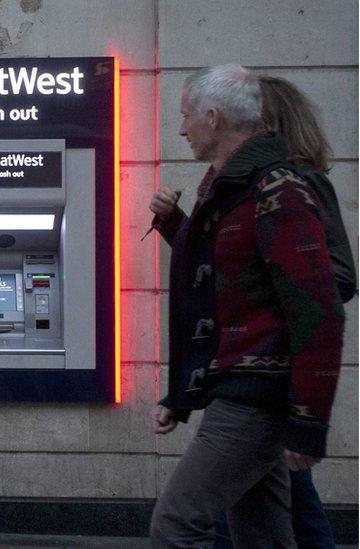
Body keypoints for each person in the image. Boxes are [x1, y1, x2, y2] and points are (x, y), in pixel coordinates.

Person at [147, 64, 345, 548]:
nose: (180, 128)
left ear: (212, 117)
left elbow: (318, 310)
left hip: (255, 395)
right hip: (239, 387)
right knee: (261, 535)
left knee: (176, 526)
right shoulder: (233, 187)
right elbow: (219, 288)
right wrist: (181, 393)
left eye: (186, 116)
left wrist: (308, 421)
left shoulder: (276, 188)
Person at [212, 75, 355, 549]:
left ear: (266, 123)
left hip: (274, 371)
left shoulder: (298, 184)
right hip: (248, 366)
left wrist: (285, 294)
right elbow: (231, 273)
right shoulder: (251, 186)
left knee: (236, 505)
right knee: (274, 504)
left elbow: (339, 277)